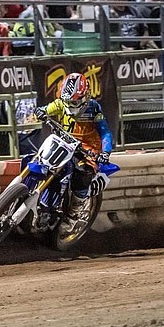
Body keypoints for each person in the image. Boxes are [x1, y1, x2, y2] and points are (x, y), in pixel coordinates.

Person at [34, 73, 113, 232]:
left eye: (75, 101)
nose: (70, 105)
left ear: (85, 96)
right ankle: (41, 204)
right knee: (43, 162)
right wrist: (40, 112)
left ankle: (73, 214)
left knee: (83, 174)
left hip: (88, 150)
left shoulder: (94, 108)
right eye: (68, 101)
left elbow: (105, 132)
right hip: (64, 144)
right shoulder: (60, 104)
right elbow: (45, 109)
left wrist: (105, 152)